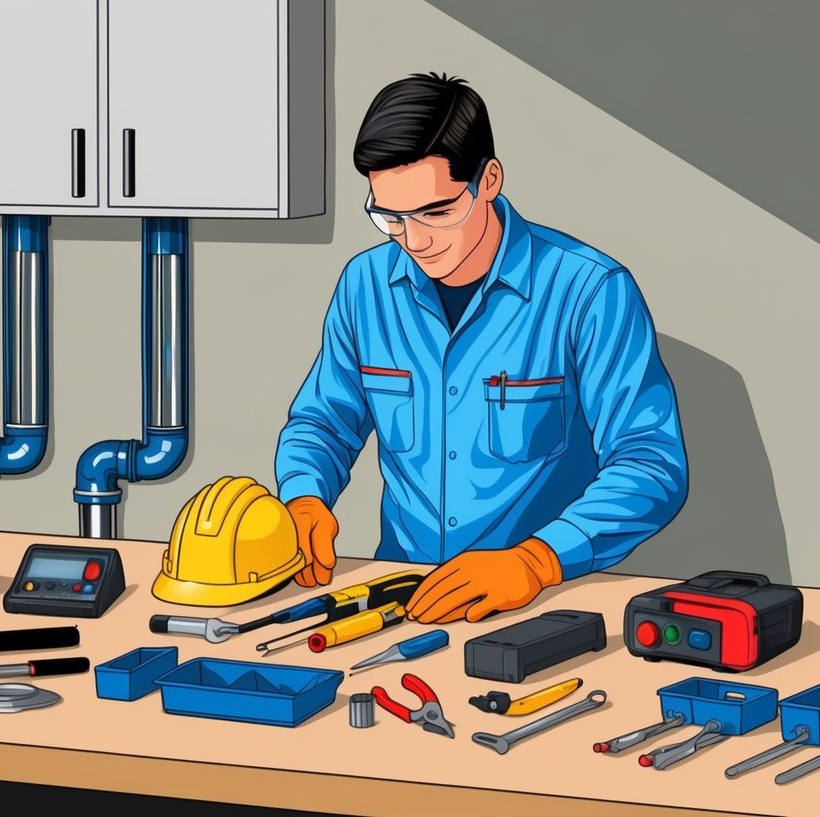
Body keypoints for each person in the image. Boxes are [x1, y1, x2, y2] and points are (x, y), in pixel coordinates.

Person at [274, 72, 688, 624]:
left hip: (545, 607)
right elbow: (324, 422)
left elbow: (650, 462)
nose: (414, 240)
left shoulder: (589, 291)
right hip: (399, 604)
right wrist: (304, 497)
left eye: (436, 212)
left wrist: (538, 561)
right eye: (389, 217)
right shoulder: (364, 285)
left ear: (488, 180)